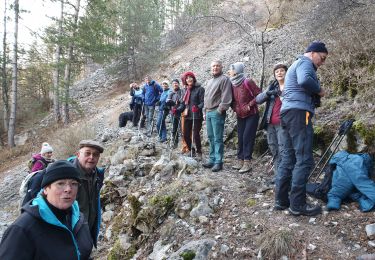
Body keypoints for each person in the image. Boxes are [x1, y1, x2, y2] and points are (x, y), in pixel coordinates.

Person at [274, 41, 327, 216]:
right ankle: (297, 204)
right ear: (313, 53)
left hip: (286, 113)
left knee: (288, 157)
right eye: (322, 57)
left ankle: (281, 200)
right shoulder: (305, 63)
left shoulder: (295, 64)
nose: (322, 62)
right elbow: (305, 80)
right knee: (303, 159)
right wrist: (319, 90)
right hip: (299, 113)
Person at [0, 160, 93, 259]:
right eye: (60, 183)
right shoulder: (22, 229)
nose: (68, 189)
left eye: (74, 183)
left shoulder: (79, 219)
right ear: (45, 189)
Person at [71, 140, 105, 246]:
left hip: (87, 232)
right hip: (70, 235)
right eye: (87, 153)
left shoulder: (97, 175)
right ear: (78, 155)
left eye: (95, 155)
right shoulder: (67, 175)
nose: (91, 157)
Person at [228, 62, 261, 173]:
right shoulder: (232, 84)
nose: (230, 71)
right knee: (241, 137)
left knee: (248, 136)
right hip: (240, 115)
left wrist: (249, 105)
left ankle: (247, 162)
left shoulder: (248, 81)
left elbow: (259, 95)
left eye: (231, 69)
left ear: (237, 71)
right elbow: (232, 100)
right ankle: (240, 160)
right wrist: (234, 108)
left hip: (252, 114)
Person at [256, 63, 288, 176]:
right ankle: (278, 175)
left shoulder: (291, 86)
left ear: (286, 72)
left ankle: (285, 177)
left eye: (282, 71)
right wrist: (267, 93)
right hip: (270, 124)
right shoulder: (272, 86)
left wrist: (282, 94)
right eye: (277, 71)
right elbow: (258, 100)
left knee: (283, 149)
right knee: (274, 149)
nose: (279, 73)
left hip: (283, 124)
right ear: (274, 75)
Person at [203, 60, 233, 172]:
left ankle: (218, 161)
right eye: (213, 66)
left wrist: (220, 110)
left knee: (217, 138)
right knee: (211, 137)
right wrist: (205, 112)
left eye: (217, 66)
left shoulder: (224, 79)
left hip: (216, 112)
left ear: (221, 67)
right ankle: (212, 159)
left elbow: (226, 97)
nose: (215, 68)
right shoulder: (210, 81)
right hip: (209, 112)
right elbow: (206, 97)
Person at [177, 72, 205, 158]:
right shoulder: (185, 90)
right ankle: (191, 150)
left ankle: (199, 151)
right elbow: (183, 104)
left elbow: (203, 102)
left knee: (196, 134)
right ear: (185, 80)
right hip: (187, 115)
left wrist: (197, 107)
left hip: (196, 115)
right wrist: (177, 110)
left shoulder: (200, 89)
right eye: (187, 78)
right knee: (185, 134)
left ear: (193, 78)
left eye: (190, 77)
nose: (189, 79)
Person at [166, 79, 183, 148]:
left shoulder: (182, 92)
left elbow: (182, 101)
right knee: (174, 128)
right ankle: (175, 143)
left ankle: (183, 144)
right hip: (173, 112)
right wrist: (168, 104)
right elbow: (168, 102)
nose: (175, 84)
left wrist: (178, 101)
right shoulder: (171, 93)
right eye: (173, 84)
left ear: (178, 84)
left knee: (181, 129)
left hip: (180, 112)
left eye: (176, 83)